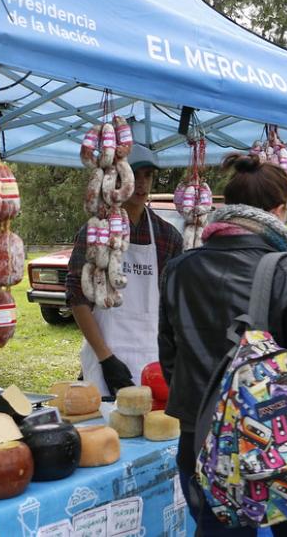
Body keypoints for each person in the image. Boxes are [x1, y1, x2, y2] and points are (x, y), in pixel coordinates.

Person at [159, 154, 287, 536]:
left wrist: (209, 407)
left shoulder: (178, 269)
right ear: (279, 210)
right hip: (282, 447)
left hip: (200, 441)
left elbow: (169, 359)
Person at [67, 144, 183, 396]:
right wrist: (106, 359)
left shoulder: (168, 237)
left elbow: (174, 305)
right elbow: (77, 297)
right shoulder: (96, 232)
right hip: (106, 356)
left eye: (147, 176)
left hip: (153, 358)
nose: (141, 184)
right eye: (132, 175)